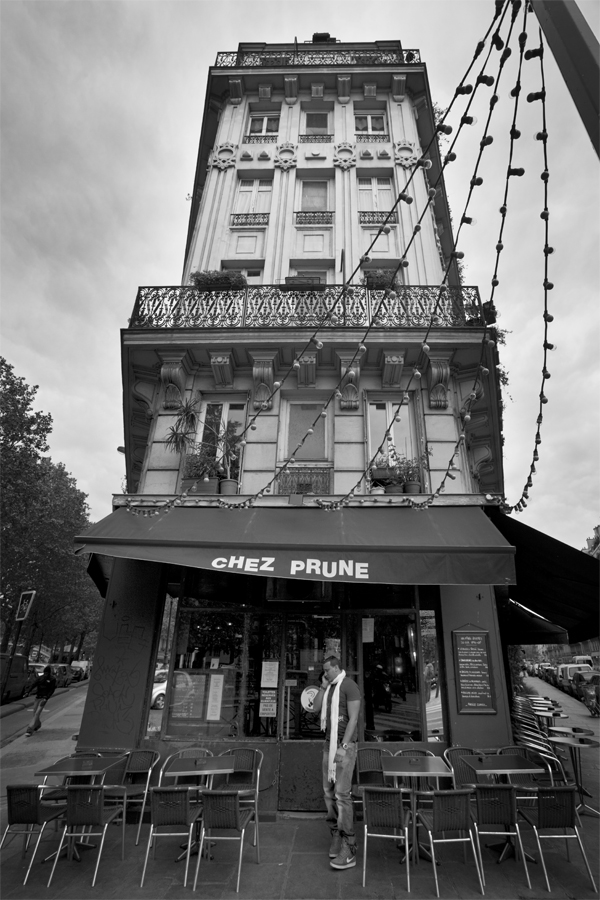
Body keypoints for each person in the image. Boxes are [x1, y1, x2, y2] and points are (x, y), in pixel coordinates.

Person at [312, 655, 361, 870]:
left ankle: (349, 844)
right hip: (327, 745)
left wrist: (343, 745)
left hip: (344, 746)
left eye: (327, 670)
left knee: (342, 794)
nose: (325, 674)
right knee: (328, 792)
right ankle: (336, 834)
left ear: (336, 667)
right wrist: (322, 687)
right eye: (324, 671)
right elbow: (315, 708)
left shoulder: (349, 685)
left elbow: (354, 718)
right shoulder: (329, 687)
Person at [25, 665, 56, 735]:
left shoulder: (52, 679)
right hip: (38, 697)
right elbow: (33, 684)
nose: (46, 675)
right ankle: (37, 725)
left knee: (37, 713)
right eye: (45, 673)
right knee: (35, 713)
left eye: (47, 673)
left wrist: (46, 698)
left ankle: (30, 729)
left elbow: (52, 690)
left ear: (49, 673)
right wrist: (28, 691)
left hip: (43, 698)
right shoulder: (40, 678)